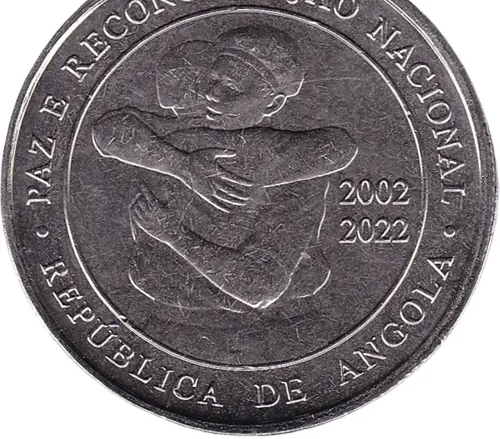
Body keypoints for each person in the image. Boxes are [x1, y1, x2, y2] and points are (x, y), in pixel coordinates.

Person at [92, 26, 357, 310]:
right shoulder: (184, 133)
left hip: (257, 324)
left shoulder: (298, 174)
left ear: (273, 103)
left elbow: (260, 289)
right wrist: (181, 165)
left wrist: (173, 234)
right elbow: (106, 130)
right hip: (155, 299)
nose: (212, 95)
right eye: (212, 81)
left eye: (231, 88)